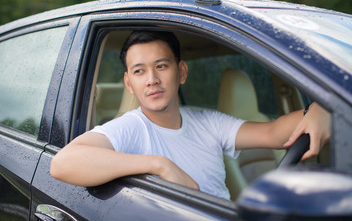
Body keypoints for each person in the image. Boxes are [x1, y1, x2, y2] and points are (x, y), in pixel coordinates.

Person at [50, 31, 330, 200]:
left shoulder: (207, 121)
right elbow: (62, 164)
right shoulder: (130, 127)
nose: (151, 79)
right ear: (129, 83)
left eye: (161, 66)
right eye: (139, 71)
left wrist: (320, 109)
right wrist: (159, 165)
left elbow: (273, 133)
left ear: (181, 72)